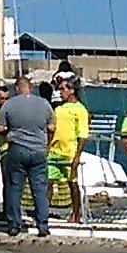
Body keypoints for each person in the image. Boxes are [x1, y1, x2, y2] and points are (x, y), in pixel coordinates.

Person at [0, 74, 53, 238]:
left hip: (17, 149)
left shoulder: (9, 105)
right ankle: (43, 224)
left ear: (16, 89)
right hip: (38, 150)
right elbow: (52, 127)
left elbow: (0, 128)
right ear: (31, 88)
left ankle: (14, 224)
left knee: (15, 188)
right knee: (39, 189)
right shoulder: (44, 104)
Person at [48, 76, 89, 224]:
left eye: (63, 89)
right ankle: (43, 212)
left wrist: (77, 156)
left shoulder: (80, 110)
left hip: (69, 152)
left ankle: (76, 213)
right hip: (54, 151)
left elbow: (82, 134)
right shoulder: (58, 108)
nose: (60, 92)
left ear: (72, 90)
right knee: (48, 181)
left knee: (72, 184)